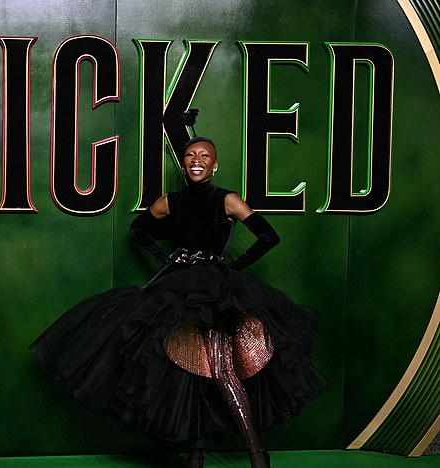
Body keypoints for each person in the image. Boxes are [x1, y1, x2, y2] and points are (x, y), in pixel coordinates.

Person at [31, 134, 326, 468]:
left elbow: (268, 236)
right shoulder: (170, 202)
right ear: (184, 163)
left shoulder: (227, 199)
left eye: (204, 155)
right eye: (189, 155)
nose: (196, 159)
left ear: (215, 164)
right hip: (177, 288)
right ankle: (196, 455)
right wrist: (168, 260)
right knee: (187, 369)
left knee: (222, 370)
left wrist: (228, 267)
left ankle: (257, 454)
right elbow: (138, 230)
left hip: (213, 291)